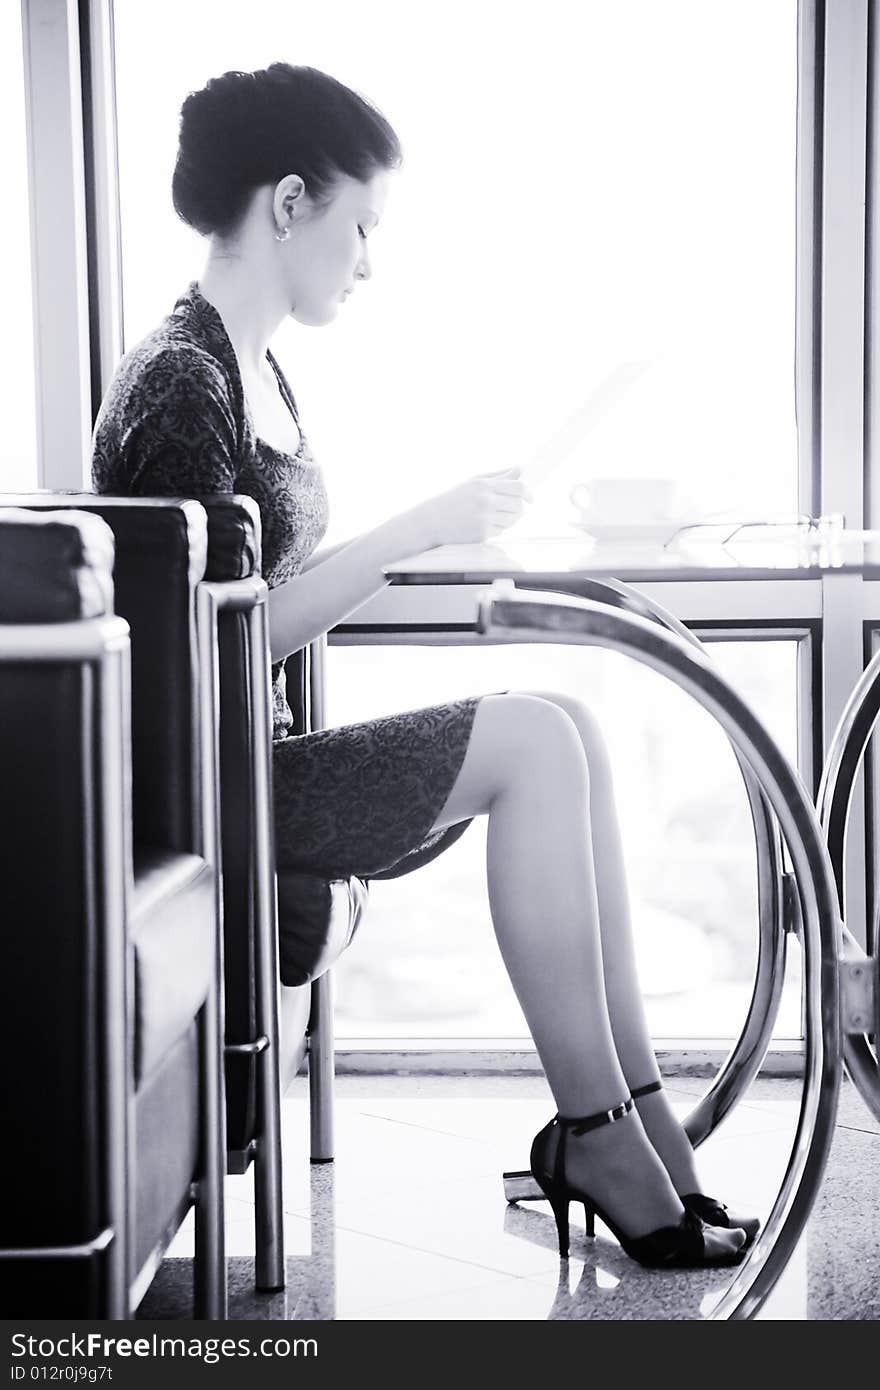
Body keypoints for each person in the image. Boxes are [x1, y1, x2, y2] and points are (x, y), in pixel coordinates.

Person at [92, 62, 756, 1269]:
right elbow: (211, 638)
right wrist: (419, 529)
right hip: (213, 790)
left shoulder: (248, 366)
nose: (367, 258)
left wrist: (428, 530)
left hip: (253, 759)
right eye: (361, 225)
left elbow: (258, 588)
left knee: (567, 724)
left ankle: (642, 1121)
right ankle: (601, 1137)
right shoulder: (181, 382)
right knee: (540, 740)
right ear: (289, 203)